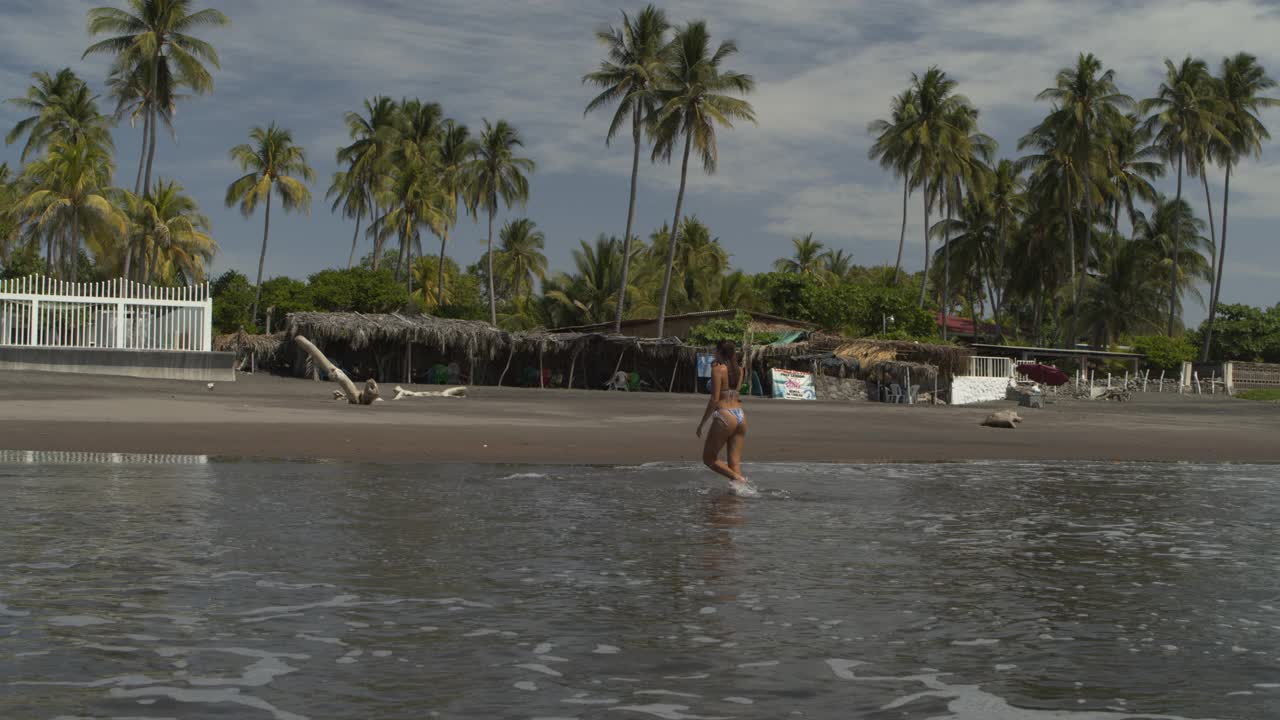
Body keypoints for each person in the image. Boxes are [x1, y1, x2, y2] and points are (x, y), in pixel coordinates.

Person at [696, 340, 752, 493]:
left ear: (719, 352)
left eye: (715, 351)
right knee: (734, 462)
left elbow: (714, 399)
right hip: (740, 415)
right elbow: (736, 392)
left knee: (709, 459)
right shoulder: (739, 370)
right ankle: (738, 499)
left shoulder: (718, 369)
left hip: (725, 415)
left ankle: (739, 479)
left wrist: (702, 423)